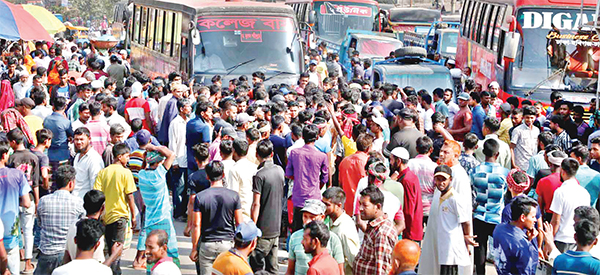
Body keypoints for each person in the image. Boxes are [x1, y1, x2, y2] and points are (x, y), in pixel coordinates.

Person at [419, 164, 477, 275]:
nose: (441, 183)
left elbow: (466, 222)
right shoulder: (440, 197)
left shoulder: (455, 199)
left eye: (444, 180)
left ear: (450, 179)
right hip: (443, 246)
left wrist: (466, 237)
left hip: (452, 247)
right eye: (438, 179)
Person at [190, 161, 243, 275]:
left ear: (207, 176)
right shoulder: (234, 196)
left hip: (207, 244)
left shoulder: (200, 197)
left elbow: (196, 225)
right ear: (223, 175)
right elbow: (239, 223)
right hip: (227, 244)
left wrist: (194, 248)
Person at [93, 143, 137, 274]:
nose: (128, 159)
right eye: (127, 156)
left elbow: (98, 195)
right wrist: (134, 216)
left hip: (105, 216)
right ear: (119, 156)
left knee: (109, 246)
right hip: (120, 216)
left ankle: (110, 270)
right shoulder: (126, 173)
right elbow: (130, 197)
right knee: (117, 247)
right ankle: (114, 271)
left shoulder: (103, 172)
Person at [35, 165, 85, 275]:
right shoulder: (78, 203)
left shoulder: (43, 201)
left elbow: (40, 223)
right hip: (67, 255)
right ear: (71, 183)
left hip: (46, 254)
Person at [137, 146, 180, 271]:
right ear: (159, 162)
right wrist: (155, 147)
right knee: (170, 253)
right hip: (163, 219)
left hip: (150, 221)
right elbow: (171, 155)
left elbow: (145, 166)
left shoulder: (142, 175)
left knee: (151, 254)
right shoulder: (159, 175)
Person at [470, 139, 510, 274]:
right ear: (497, 154)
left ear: (483, 152)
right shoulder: (505, 173)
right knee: (499, 251)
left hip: (479, 215)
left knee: (479, 250)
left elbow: (472, 190)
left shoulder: (475, 170)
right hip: (497, 216)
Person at [249, 139, 284, 274]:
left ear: (257, 154)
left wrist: (253, 225)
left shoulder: (259, 175)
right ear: (272, 154)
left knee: (256, 263)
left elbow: (256, 203)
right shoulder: (280, 170)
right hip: (276, 225)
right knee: (273, 266)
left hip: (263, 227)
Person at [6, 128, 39, 272]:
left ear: (13, 142)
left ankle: (18, 254)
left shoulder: (12, 158)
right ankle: (28, 262)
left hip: (14, 199)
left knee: (16, 230)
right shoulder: (33, 157)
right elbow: (36, 182)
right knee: (28, 230)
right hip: (29, 197)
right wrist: (37, 201)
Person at [286, 124, 329, 231]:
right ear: (317, 137)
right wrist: (317, 186)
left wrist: (299, 177)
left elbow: (288, 174)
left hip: (298, 196)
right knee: (314, 231)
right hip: (314, 196)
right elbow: (325, 178)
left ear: (303, 137)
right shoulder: (321, 156)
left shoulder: (294, 153)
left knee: (297, 230)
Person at [286, 199, 345, 275]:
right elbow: (290, 270)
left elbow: (340, 270)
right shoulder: (295, 237)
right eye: (305, 216)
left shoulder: (333, 239)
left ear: (322, 217)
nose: (307, 221)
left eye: (312, 217)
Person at [0, 141, 31, 275]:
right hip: (10, 228)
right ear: (4, 155)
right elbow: (27, 203)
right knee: (12, 265)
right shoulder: (17, 175)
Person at [353, 185, 398, 275]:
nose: (360, 208)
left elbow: (382, 270)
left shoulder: (382, 233)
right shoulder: (374, 226)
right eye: (360, 204)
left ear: (377, 207)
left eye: (365, 205)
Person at [550, 158, 591, 252]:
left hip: (561, 240)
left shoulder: (560, 192)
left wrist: (549, 241)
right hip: (578, 240)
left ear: (562, 171)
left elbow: (556, 221)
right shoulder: (585, 193)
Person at [491, 196, 540, 275]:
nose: (535, 220)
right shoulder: (522, 245)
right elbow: (526, 270)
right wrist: (529, 245)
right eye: (533, 217)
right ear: (523, 217)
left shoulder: (499, 228)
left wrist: (528, 239)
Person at [322, 187, 360, 275]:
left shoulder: (344, 228)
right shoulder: (329, 220)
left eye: (327, 205)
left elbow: (352, 257)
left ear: (338, 206)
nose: (323, 207)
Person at [389, 147, 423, 241]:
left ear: (399, 161)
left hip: (410, 233)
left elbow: (408, 210)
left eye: (391, 159)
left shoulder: (407, 179)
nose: (390, 163)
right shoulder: (408, 176)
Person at [168, 98, 192, 220]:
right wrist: (174, 161)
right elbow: (172, 143)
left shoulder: (189, 121)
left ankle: (185, 211)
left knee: (187, 187)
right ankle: (178, 212)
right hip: (179, 160)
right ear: (181, 109)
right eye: (188, 106)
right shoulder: (175, 123)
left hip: (188, 159)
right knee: (179, 188)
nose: (190, 108)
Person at [338, 133, 371, 215]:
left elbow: (340, 183)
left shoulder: (345, 161)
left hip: (347, 206)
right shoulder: (368, 162)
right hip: (363, 207)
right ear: (368, 148)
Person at [227, 138, 258, 219]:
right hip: (254, 211)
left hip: (241, 214)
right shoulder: (255, 168)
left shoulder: (234, 169)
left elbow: (233, 195)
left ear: (234, 151)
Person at [44, 96, 73, 179]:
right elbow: (71, 134)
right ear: (65, 107)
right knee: (63, 179)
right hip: (63, 155)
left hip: (49, 154)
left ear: (53, 106)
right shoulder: (66, 122)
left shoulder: (47, 119)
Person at [72, 127, 105, 198]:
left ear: (89, 139)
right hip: (74, 198)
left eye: (81, 139)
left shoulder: (94, 158)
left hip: (85, 200)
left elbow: (95, 184)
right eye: (76, 139)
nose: (79, 142)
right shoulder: (77, 156)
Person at [536, 150, 568, 220]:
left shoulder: (543, 181)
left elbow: (540, 208)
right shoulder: (572, 181)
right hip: (566, 217)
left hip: (549, 218)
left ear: (550, 164)